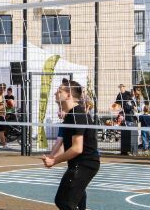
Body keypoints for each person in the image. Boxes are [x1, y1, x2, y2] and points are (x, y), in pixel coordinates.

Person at [43, 81, 100, 210]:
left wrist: (54, 160)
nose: (55, 93)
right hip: (80, 163)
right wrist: (52, 156)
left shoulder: (76, 114)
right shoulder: (71, 115)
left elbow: (77, 148)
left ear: (68, 95)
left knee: (64, 202)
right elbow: (66, 145)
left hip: (85, 164)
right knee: (76, 203)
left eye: (59, 90)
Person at [115, 84, 136, 155]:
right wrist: (114, 107)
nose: (120, 89)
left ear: (124, 87)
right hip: (123, 115)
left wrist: (131, 107)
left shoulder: (128, 94)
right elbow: (116, 103)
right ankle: (125, 150)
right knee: (124, 132)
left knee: (130, 132)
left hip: (129, 115)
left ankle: (130, 149)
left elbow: (132, 104)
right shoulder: (119, 95)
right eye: (119, 87)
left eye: (121, 87)